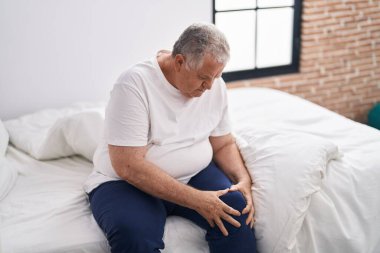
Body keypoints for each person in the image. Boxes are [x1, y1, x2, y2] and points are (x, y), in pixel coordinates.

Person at [84, 23, 257, 253]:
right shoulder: (134, 84)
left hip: (194, 175)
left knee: (236, 213)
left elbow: (223, 143)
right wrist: (197, 200)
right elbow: (128, 165)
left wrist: (243, 180)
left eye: (217, 76)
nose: (210, 86)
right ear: (179, 62)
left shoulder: (214, 86)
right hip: (127, 184)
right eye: (204, 78)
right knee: (133, 235)